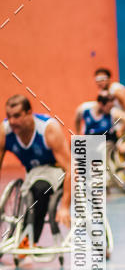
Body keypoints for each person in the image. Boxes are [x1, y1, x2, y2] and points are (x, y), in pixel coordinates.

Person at [0, 95, 71, 248]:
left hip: (56, 170)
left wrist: (65, 206)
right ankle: (24, 239)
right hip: (32, 173)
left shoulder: (48, 129)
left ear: (29, 113)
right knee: (32, 190)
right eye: (9, 117)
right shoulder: (4, 132)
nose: (12, 121)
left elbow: (72, 168)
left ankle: (27, 242)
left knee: (40, 189)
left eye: (17, 116)